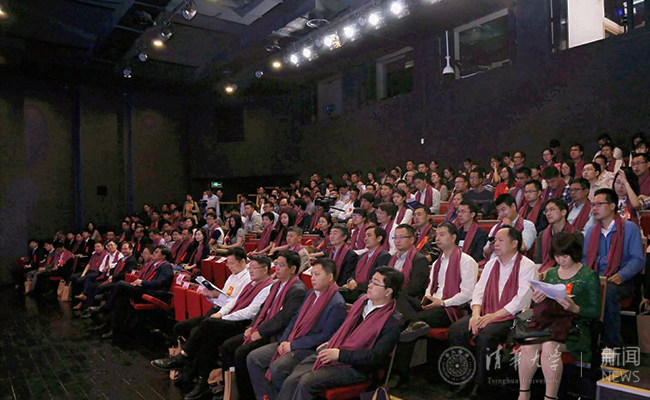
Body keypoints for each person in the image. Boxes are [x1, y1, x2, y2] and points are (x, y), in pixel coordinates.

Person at [150, 253, 274, 399]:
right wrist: (221, 313)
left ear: (265, 269)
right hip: (231, 316)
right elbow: (234, 302)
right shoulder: (251, 284)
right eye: (250, 267)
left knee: (207, 325)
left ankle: (184, 358)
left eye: (254, 268)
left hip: (244, 323)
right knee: (207, 337)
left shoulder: (267, 288)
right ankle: (201, 379)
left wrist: (223, 317)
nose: (250, 270)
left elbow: (250, 312)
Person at [271, 267, 404, 400]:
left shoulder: (392, 321)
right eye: (371, 281)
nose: (369, 285)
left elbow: (373, 357)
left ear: (388, 291)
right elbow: (347, 332)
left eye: (376, 283)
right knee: (293, 377)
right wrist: (332, 343)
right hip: (336, 349)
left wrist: (340, 354)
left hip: (357, 367)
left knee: (306, 381)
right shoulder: (362, 302)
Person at [449, 226, 537, 399]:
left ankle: (481, 385)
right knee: (457, 330)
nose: (495, 244)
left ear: (514, 243)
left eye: (500, 240)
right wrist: (476, 315)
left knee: (485, 336)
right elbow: (478, 291)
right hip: (486, 312)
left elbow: (522, 300)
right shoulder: (491, 264)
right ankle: (465, 378)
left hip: (511, 317)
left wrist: (493, 316)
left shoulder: (527, 266)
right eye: (494, 240)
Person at [247, 259, 347, 400]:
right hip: (292, 340)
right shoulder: (311, 294)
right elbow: (295, 319)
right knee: (254, 358)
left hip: (309, 349)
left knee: (278, 367)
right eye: (312, 274)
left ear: (330, 277)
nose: (312, 278)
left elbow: (324, 337)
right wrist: (284, 341)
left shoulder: (336, 303)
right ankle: (266, 397)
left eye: (317, 275)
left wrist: (292, 345)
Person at [518, 233, 601, 400]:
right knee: (529, 344)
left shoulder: (588, 276)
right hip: (552, 324)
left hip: (576, 328)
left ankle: (550, 397)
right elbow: (544, 306)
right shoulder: (551, 273)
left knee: (550, 346)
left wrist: (575, 308)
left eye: (565, 256)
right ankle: (523, 393)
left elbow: (595, 311)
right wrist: (537, 300)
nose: (560, 260)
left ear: (574, 253)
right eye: (557, 256)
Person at [395, 222, 478, 386]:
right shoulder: (437, 262)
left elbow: (468, 294)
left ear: (453, 238)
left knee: (406, 322)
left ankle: (400, 372)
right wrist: (427, 298)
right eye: (436, 235)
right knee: (398, 297)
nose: (437, 238)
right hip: (432, 304)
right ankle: (415, 321)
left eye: (442, 234)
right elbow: (431, 287)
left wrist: (442, 302)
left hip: (451, 308)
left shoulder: (467, 261)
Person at [220, 252, 308, 400]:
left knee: (242, 353)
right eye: (276, 264)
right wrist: (252, 326)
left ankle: (248, 395)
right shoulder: (276, 285)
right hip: (263, 328)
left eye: (281, 265)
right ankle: (231, 390)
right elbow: (263, 309)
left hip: (277, 335)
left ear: (293, 269)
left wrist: (260, 331)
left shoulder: (297, 289)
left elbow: (283, 319)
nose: (277, 268)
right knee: (228, 346)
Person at [582, 188, 644, 348]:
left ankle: (612, 344)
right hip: (596, 278)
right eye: (593, 205)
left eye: (599, 204)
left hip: (622, 281)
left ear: (612, 206)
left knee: (607, 292)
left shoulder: (629, 228)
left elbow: (637, 260)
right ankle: (583, 342)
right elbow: (585, 259)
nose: (594, 208)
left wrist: (622, 275)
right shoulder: (591, 231)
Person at [94, 245, 173, 339]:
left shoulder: (166, 266)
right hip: (143, 289)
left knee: (120, 284)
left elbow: (160, 283)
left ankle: (106, 304)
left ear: (163, 256)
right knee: (120, 298)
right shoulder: (153, 264)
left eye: (156, 252)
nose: (154, 254)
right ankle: (112, 328)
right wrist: (138, 283)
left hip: (151, 293)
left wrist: (142, 282)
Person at [340, 226, 391, 303]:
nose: (365, 239)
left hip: (367, 291)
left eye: (369, 235)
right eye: (365, 236)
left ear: (379, 238)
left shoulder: (384, 256)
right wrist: (350, 281)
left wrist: (355, 285)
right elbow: (353, 273)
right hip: (355, 289)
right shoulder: (362, 256)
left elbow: (377, 280)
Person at [389, 224, 430, 316]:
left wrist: (392, 294)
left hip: (409, 300)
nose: (397, 241)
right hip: (391, 295)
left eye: (401, 237)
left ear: (412, 240)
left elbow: (415, 288)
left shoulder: (419, 259)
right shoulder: (391, 259)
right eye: (395, 237)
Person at [534, 199, 584, 274]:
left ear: (563, 212)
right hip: (544, 272)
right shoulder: (542, 235)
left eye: (552, 210)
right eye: (546, 211)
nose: (548, 213)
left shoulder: (575, 234)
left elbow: (576, 260)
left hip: (570, 272)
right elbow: (538, 260)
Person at [484, 194, 537, 261]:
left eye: (503, 210)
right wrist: (491, 246)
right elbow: (485, 252)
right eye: (498, 211)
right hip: (495, 261)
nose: (501, 214)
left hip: (518, 262)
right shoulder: (495, 227)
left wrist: (509, 227)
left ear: (513, 206)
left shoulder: (527, 225)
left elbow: (523, 247)